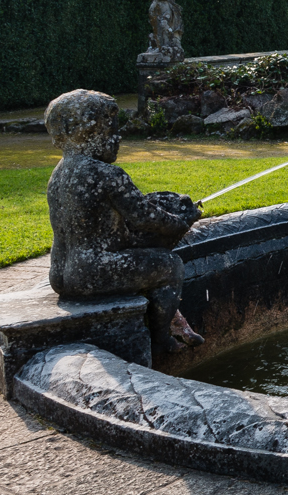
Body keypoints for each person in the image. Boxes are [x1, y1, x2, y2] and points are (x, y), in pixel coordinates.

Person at [44, 89, 204, 354]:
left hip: (60, 274)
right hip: (92, 272)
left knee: (144, 259)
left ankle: (177, 323)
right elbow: (145, 217)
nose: (118, 139)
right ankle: (161, 339)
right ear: (88, 131)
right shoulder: (107, 174)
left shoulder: (58, 175)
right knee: (169, 266)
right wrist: (182, 220)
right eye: (111, 131)